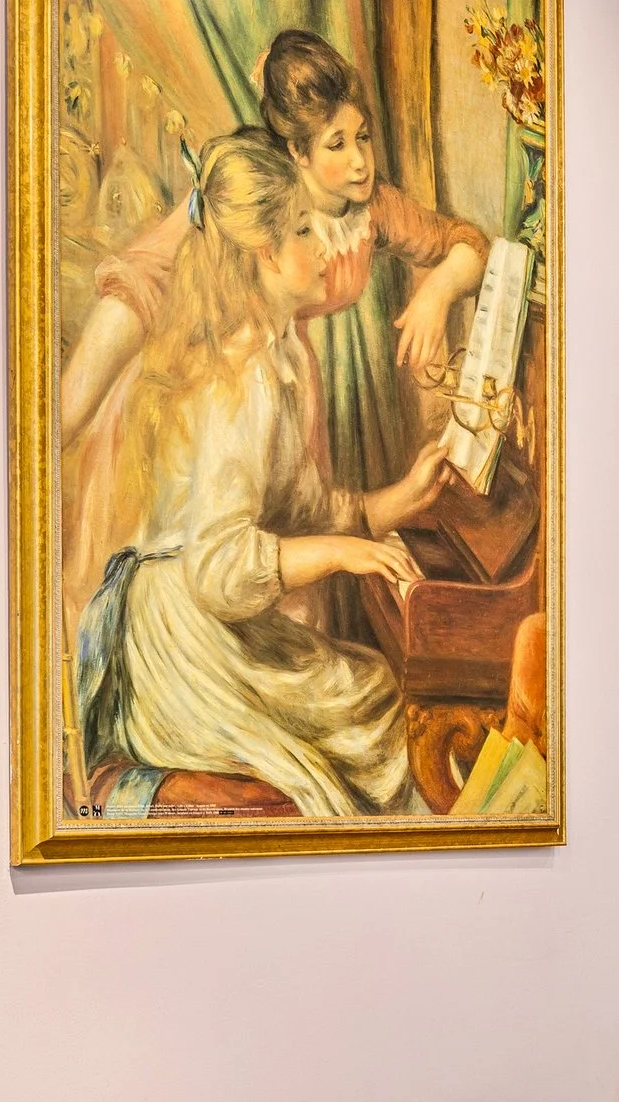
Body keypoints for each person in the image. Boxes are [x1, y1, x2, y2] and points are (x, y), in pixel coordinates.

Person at [72, 135, 456, 818]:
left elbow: (304, 505)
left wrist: (401, 499)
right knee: (368, 713)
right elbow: (220, 568)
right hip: (177, 645)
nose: (326, 247)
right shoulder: (243, 374)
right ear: (266, 254)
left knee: (368, 687)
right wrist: (344, 553)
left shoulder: (278, 357)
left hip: (198, 621)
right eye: (305, 230)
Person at [58, 29, 490, 627]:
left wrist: (437, 292)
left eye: (363, 136)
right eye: (337, 143)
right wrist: (61, 421)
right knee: (227, 582)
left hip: (284, 387)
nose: (360, 160)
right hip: (217, 399)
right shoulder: (253, 195)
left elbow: (467, 243)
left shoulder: (371, 208)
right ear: (297, 153)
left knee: (293, 578)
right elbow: (142, 285)